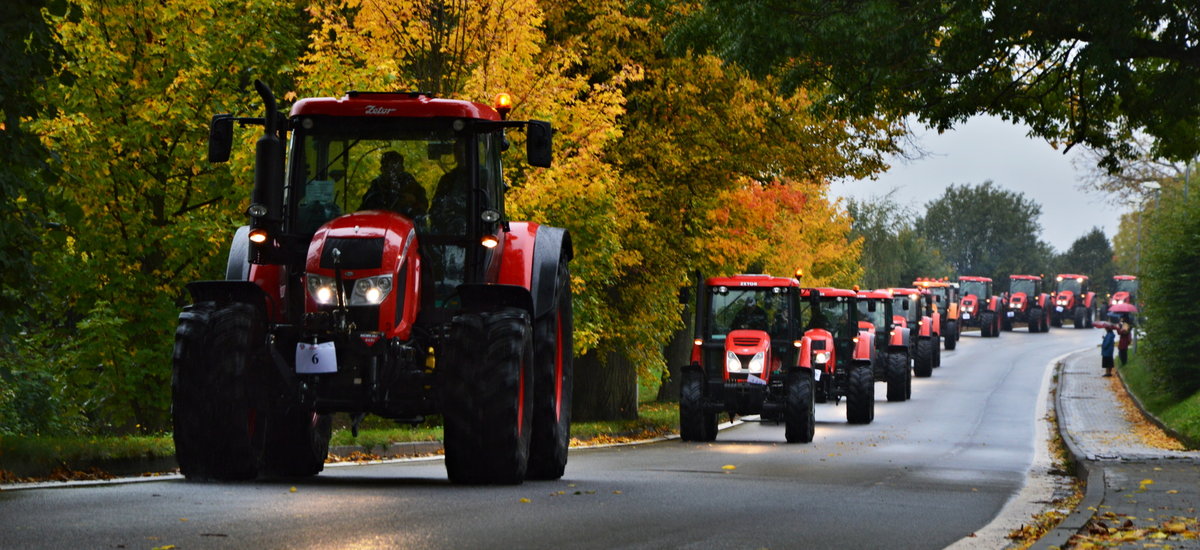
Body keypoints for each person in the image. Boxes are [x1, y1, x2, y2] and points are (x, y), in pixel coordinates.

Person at [360, 151, 428, 217]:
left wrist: (413, 202)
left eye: (395, 167)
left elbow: (423, 211)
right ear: (382, 169)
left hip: (405, 225)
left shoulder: (411, 185)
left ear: (402, 169)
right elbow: (363, 212)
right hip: (380, 225)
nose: (391, 172)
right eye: (387, 167)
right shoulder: (375, 188)